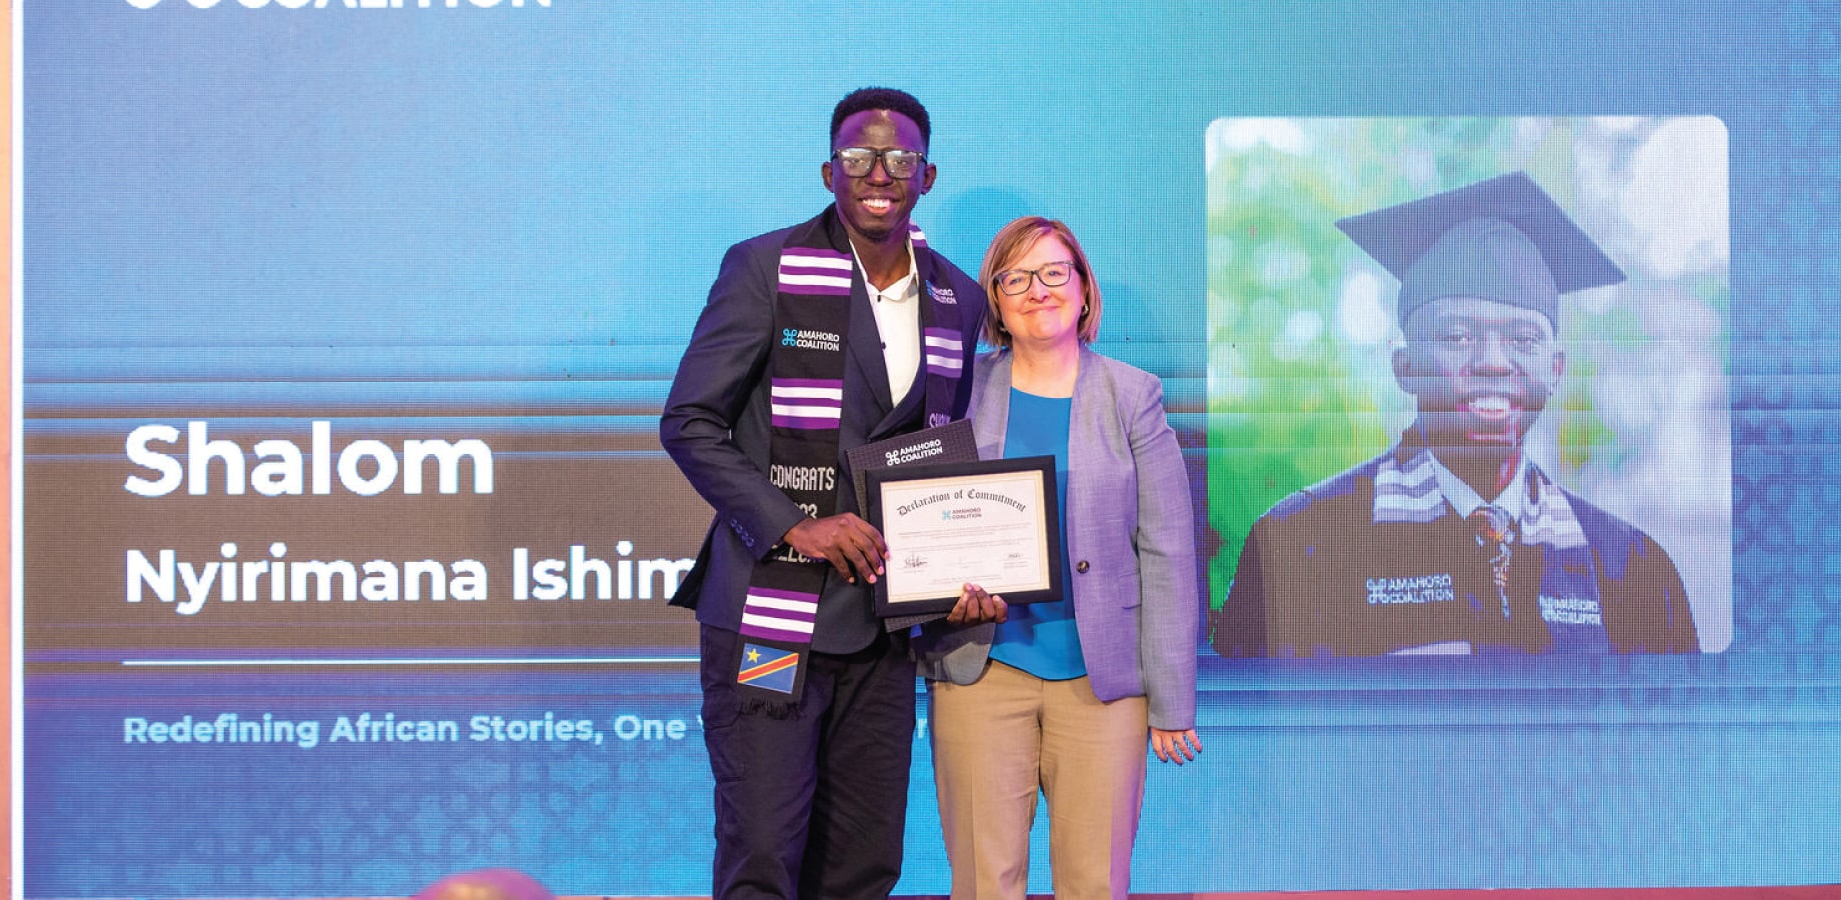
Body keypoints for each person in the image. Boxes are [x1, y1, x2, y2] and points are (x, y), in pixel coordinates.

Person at [659, 87, 989, 900]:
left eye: (899, 158)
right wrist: (791, 525)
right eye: (858, 156)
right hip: (772, 616)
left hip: (884, 627)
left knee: (864, 865)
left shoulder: (958, 298)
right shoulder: (764, 268)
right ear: (828, 171)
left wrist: (960, 567)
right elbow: (689, 422)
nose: (879, 172)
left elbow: (939, 456)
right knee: (764, 854)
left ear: (927, 176)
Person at [1213, 172, 1698, 657]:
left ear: (1555, 370)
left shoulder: (1633, 573)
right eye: (1457, 336)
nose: (1493, 362)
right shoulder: (1299, 548)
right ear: (1405, 367)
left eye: (1524, 339)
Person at [913, 216, 1202, 900]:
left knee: (1095, 884)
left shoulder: (1133, 395)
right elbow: (923, 523)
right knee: (984, 884)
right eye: (1014, 278)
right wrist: (939, 592)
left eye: (1052, 272)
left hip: (1103, 683)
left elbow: (1167, 550)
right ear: (994, 301)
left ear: (1083, 288)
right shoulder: (957, 391)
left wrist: (1173, 700)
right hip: (982, 672)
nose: (1037, 290)